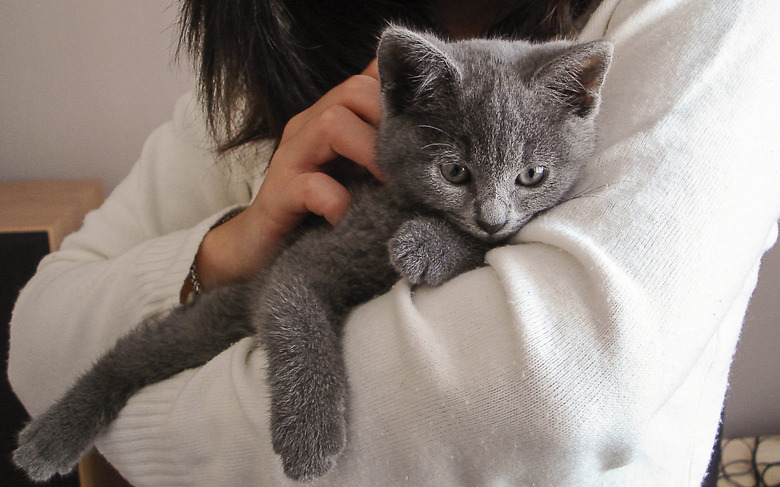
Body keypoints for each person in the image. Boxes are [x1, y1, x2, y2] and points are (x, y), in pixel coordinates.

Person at [8, 0, 779, 485]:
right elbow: (39, 338)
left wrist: (133, 429)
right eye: (456, 173)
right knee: (152, 348)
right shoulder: (269, 60)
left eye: (530, 180)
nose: (494, 211)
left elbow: (549, 398)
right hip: (275, 301)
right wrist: (222, 249)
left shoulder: (706, 21)